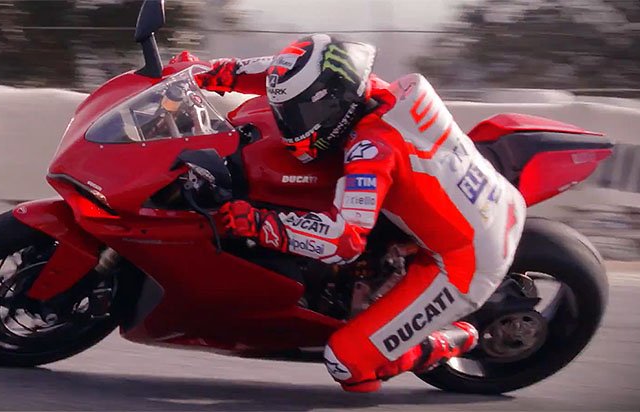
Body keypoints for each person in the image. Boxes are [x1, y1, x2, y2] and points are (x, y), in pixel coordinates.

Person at [180, 34, 526, 393]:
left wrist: (258, 223)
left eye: (304, 114)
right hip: (477, 201)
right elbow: (278, 73)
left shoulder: (371, 149)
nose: (292, 123)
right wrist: (204, 73)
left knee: (348, 365)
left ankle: (457, 337)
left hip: (463, 260)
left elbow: (342, 241)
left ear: (336, 103)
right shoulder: (360, 88)